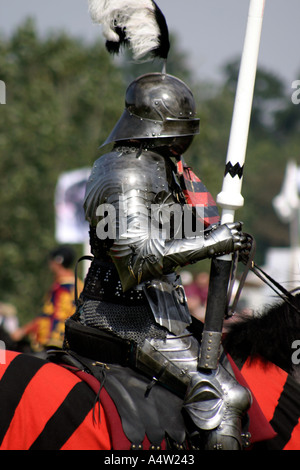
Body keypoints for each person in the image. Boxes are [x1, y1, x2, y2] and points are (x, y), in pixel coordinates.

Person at [58, 72, 252, 450]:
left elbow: (172, 235)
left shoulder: (159, 165)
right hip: (125, 314)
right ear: (160, 127)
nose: (185, 139)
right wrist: (213, 242)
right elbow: (137, 261)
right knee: (226, 398)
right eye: (180, 129)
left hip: (163, 310)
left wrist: (222, 241)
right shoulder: (126, 171)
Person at [12, 245, 82, 353]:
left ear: (58, 261)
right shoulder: (78, 285)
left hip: (53, 343)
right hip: (71, 343)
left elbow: (48, 316)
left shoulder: (62, 288)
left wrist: (23, 331)